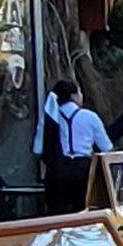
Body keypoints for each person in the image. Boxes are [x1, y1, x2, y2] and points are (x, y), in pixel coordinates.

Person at [39, 78, 114, 215]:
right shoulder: (90, 117)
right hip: (83, 170)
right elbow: (106, 147)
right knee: (81, 212)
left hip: (56, 171)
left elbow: (38, 148)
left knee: (56, 215)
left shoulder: (50, 118)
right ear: (73, 96)